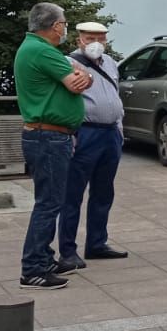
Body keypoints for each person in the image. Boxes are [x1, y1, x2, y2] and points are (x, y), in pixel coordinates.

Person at [15, 2, 91, 289]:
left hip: (45, 135)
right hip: (48, 136)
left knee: (49, 201)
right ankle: (33, 268)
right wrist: (86, 76)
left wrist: (87, 75)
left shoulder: (32, 48)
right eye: (65, 24)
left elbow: (80, 76)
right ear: (56, 26)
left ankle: (43, 258)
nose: (65, 29)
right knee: (48, 204)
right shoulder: (42, 51)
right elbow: (76, 83)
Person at [57, 20, 127, 273]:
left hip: (110, 133)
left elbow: (115, 93)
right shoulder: (68, 63)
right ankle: (67, 250)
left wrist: (119, 128)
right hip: (85, 133)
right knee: (72, 195)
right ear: (79, 40)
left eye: (101, 38)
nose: (96, 43)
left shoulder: (110, 63)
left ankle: (97, 242)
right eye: (90, 38)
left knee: (104, 191)